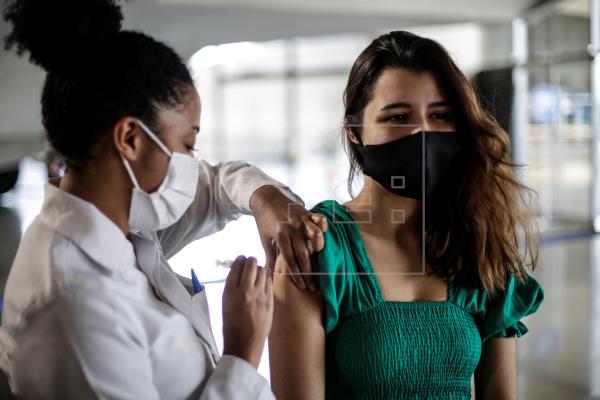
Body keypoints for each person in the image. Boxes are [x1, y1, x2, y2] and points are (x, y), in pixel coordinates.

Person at [0, 0, 325, 399]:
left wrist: (266, 199)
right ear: (131, 139)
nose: (193, 162)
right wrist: (242, 352)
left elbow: (219, 183)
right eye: (188, 145)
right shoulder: (74, 305)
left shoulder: (125, 227)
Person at [269, 31, 544, 399]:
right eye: (398, 116)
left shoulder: (478, 240)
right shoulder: (316, 251)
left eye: (440, 115)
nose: (421, 133)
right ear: (355, 132)